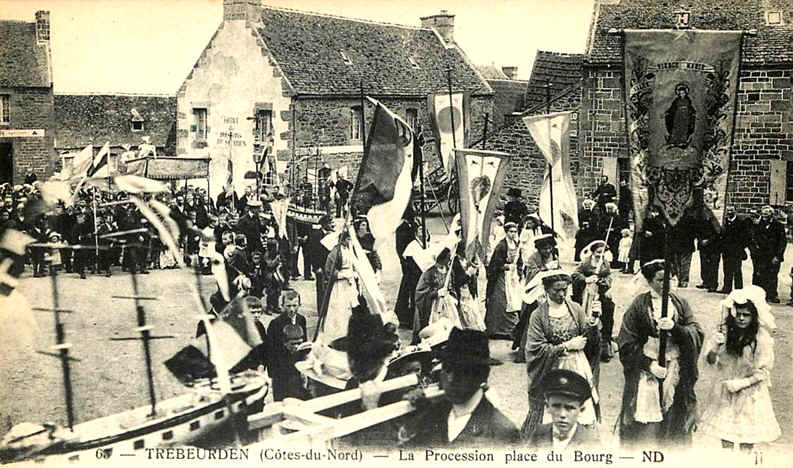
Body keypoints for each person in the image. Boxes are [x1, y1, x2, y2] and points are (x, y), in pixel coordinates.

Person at [616, 259, 704, 447]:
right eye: (660, 279)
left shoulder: (680, 304)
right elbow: (626, 341)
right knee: (647, 416)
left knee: (674, 414)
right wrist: (649, 364)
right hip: (647, 369)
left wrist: (677, 329)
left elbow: (696, 331)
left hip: (675, 367)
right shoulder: (639, 305)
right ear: (649, 281)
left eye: (670, 278)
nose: (667, 284)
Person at [402, 328, 519, 447]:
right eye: (447, 369)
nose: (451, 378)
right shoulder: (431, 414)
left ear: (482, 375)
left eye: (462, 371)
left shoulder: (502, 433)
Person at [699, 286, 781, 452]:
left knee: (746, 437)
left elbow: (763, 372)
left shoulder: (760, 339)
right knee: (726, 436)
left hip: (749, 394)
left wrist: (741, 383)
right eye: (738, 314)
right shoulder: (724, 333)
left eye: (746, 315)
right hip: (726, 391)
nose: (741, 318)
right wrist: (715, 347)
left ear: (754, 316)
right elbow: (710, 361)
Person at [521, 270, 600, 439]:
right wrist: (566, 346)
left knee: (579, 406)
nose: (561, 294)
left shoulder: (576, 309)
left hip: (577, 365)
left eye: (564, 289)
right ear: (546, 290)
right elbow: (536, 349)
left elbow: (587, 337)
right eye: (556, 290)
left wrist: (593, 322)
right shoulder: (538, 316)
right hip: (552, 369)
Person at [525, 369, 600, 449]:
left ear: (581, 410)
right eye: (556, 406)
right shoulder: (539, 433)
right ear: (547, 407)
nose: (562, 414)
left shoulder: (591, 442)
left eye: (570, 408)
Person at [512, 234, 559, 362]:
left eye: (550, 248)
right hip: (535, 293)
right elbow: (531, 274)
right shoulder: (533, 258)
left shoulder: (554, 255)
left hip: (550, 292)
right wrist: (545, 269)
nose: (548, 251)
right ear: (539, 249)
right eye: (544, 249)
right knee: (532, 320)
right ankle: (526, 352)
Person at [571, 240, 615, 363]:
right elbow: (575, 274)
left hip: (602, 292)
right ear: (593, 251)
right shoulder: (585, 262)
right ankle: (586, 346)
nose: (600, 255)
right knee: (588, 318)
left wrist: (605, 283)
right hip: (588, 294)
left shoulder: (605, 263)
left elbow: (609, 276)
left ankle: (605, 347)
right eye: (597, 252)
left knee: (607, 314)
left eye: (603, 252)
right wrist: (586, 279)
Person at [267, 289, 310, 401]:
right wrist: (273, 375)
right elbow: (270, 350)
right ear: (282, 305)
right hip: (281, 372)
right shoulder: (275, 324)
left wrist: (305, 367)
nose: (291, 309)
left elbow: (304, 344)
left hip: (297, 369)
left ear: (299, 305)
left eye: (295, 305)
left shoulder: (302, 320)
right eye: (288, 305)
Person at [318, 228, 358, 344]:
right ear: (343, 239)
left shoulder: (349, 250)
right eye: (347, 239)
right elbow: (330, 271)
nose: (349, 241)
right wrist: (343, 275)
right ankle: (336, 334)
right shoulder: (335, 252)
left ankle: (347, 332)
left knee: (348, 308)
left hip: (349, 283)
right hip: (339, 285)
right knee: (338, 307)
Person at [485, 221, 523, 340]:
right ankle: (497, 329)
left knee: (515, 299)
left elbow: (519, 260)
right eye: (511, 232)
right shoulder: (501, 246)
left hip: (512, 276)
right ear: (506, 232)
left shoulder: (517, 244)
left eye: (515, 232)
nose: (513, 234)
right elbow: (495, 263)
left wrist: (519, 271)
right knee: (502, 300)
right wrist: (504, 266)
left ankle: (511, 329)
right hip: (501, 276)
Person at [749, 206, 786, 303]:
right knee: (758, 275)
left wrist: (778, 256)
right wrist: (754, 253)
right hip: (760, 256)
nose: (764, 216)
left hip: (773, 256)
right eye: (763, 214)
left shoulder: (778, 226)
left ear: (772, 215)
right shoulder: (757, 225)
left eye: (767, 214)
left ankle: (772, 295)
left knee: (772, 275)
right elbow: (752, 240)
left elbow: (782, 242)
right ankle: (757, 295)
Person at [413, 248, 451, 343]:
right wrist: (437, 293)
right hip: (432, 306)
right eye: (448, 257)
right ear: (441, 258)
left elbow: (451, 285)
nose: (449, 259)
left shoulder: (448, 269)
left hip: (445, 304)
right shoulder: (429, 273)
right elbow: (420, 292)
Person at [721, 206, 750, 294]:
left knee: (737, 270)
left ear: (735, 211)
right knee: (726, 270)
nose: (729, 212)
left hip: (736, 251)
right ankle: (727, 288)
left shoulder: (741, 223)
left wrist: (740, 247)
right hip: (726, 251)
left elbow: (745, 237)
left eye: (731, 210)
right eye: (728, 210)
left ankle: (738, 289)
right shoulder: (725, 222)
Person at [696, 206, 722, 293]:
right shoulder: (700, 222)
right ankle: (705, 282)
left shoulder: (713, 222)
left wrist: (708, 240)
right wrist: (701, 240)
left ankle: (713, 284)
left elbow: (718, 233)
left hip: (714, 247)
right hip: (703, 247)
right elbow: (697, 232)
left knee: (713, 267)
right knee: (704, 265)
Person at [665, 83, 696, 148]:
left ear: (685, 93)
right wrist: (668, 112)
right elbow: (672, 108)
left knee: (684, 129)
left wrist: (693, 112)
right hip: (677, 116)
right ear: (678, 93)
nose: (682, 94)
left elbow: (690, 108)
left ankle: (682, 141)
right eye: (681, 93)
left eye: (683, 93)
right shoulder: (676, 100)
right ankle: (673, 141)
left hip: (685, 117)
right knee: (676, 128)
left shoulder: (688, 100)